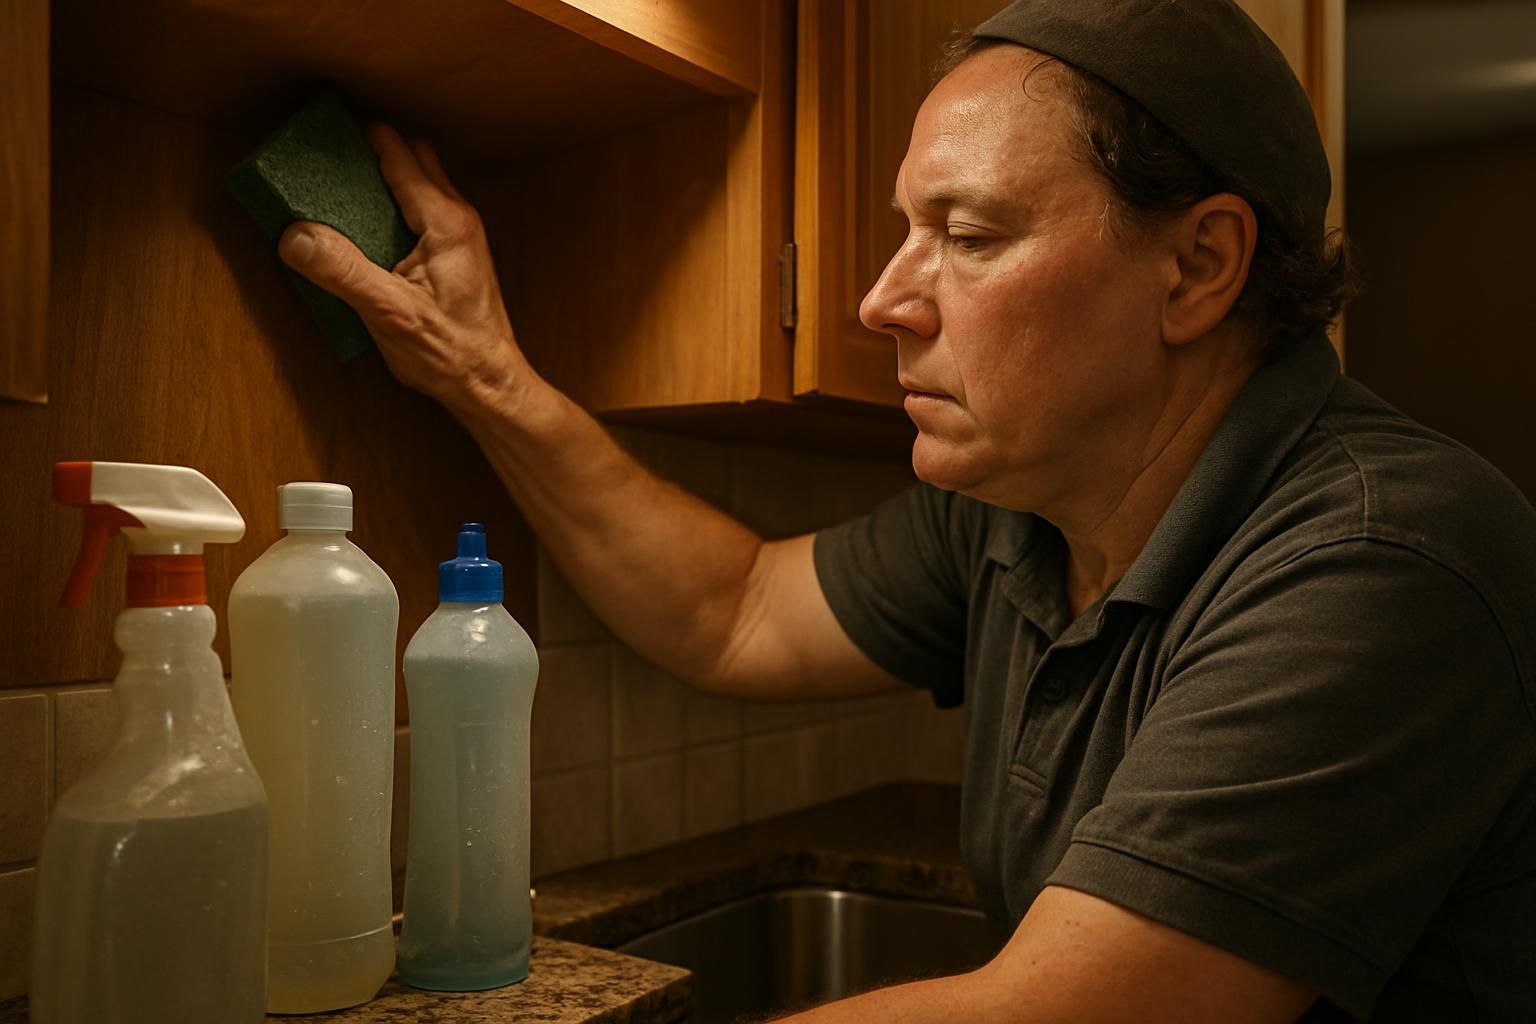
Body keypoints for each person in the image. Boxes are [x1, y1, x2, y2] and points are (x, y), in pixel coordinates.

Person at [276, 1, 1536, 1020]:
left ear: (1198, 264)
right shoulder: (1018, 510)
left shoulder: (1381, 557)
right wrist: (483, 373)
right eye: (903, 231)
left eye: (969, 234)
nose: (883, 300)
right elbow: (731, 611)